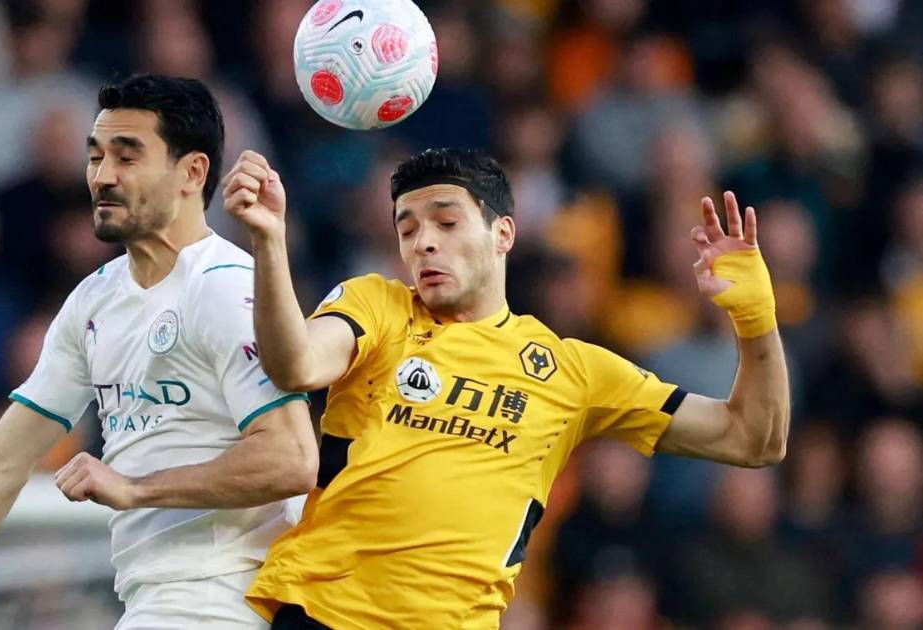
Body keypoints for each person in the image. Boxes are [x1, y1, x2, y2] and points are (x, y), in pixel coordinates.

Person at [222, 147, 790, 629]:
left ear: (503, 234)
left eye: (446, 223)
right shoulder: (379, 306)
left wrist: (756, 316)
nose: (423, 244)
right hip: (325, 613)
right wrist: (269, 240)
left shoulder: (573, 371)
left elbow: (753, 438)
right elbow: (295, 363)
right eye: (407, 229)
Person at [0, 75, 318, 630]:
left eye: (127, 156)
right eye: (95, 157)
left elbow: (291, 458)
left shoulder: (227, 287)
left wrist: (135, 487)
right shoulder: (95, 300)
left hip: (229, 597)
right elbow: (2, 461)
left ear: (192, 173)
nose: (102, 176)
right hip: (156, 599)